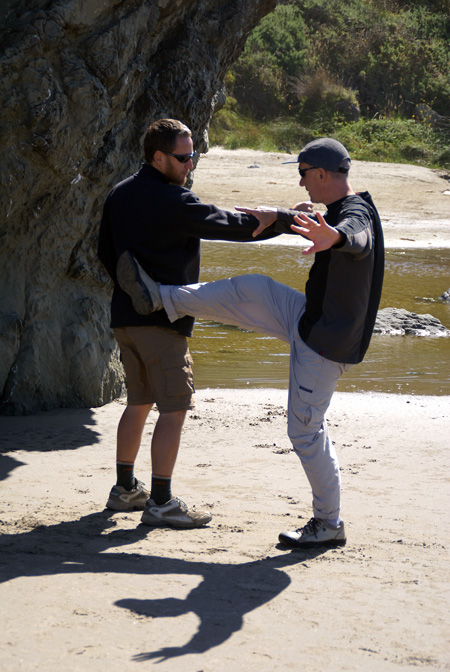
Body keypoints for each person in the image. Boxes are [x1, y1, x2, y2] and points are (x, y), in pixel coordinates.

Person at [115, 138, 385, 548]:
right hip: (309, 319)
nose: (300, 184)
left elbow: (357, 236)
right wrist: (275, 216)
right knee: (254, 289)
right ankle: (162, 297)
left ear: (322, 175)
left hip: (327, 344)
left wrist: (337, 240)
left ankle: (328, 524)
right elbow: (317, 221)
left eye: (303, 174)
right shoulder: (336, 211)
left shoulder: (355, 215)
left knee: (305, 431)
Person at [97, 118, 283, 529]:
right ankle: (161, 502)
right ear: (158, 156)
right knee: (174, 408)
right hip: (164, 321)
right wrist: (283, 220)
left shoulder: (119, 194)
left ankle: (124, 489)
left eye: (193, 155)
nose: (190, 165)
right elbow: (234, 227)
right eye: (183, 158)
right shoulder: (172, 200)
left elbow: (104, 252)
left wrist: (134, 290)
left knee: (139, 403)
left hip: (125, 319)